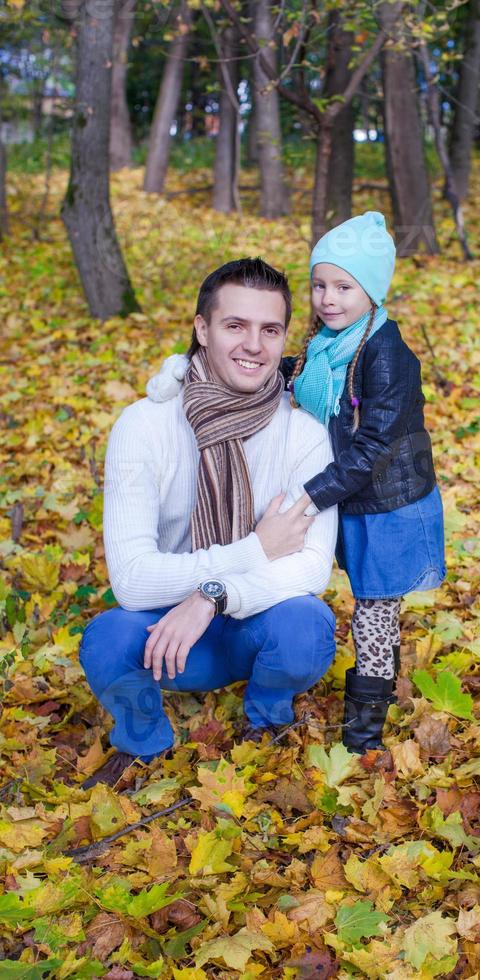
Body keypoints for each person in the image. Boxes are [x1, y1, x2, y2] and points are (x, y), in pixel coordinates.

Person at [79, 258, 338, 789]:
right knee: (105, 641)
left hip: (255, 623)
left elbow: (311, 570)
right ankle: (144, 741)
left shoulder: (304, 432)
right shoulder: (145, 426)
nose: (254, 346)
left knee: (306, 629)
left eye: (270, 330)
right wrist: (253, 550)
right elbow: (130, 579)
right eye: (235, 326)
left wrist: (213, 594)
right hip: (168, 635)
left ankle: (266, 717)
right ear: (202, 329)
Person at [286, 211, 446, 753]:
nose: (328, 298)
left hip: (388, 506)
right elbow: (297, 374)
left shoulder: (386, 354)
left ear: (372, 290)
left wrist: (311, 496)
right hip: (348, 495)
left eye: (344, 286)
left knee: (374, 615)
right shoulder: (329, 347)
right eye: (319, 285)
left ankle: (363, 736)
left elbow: (375, 447)